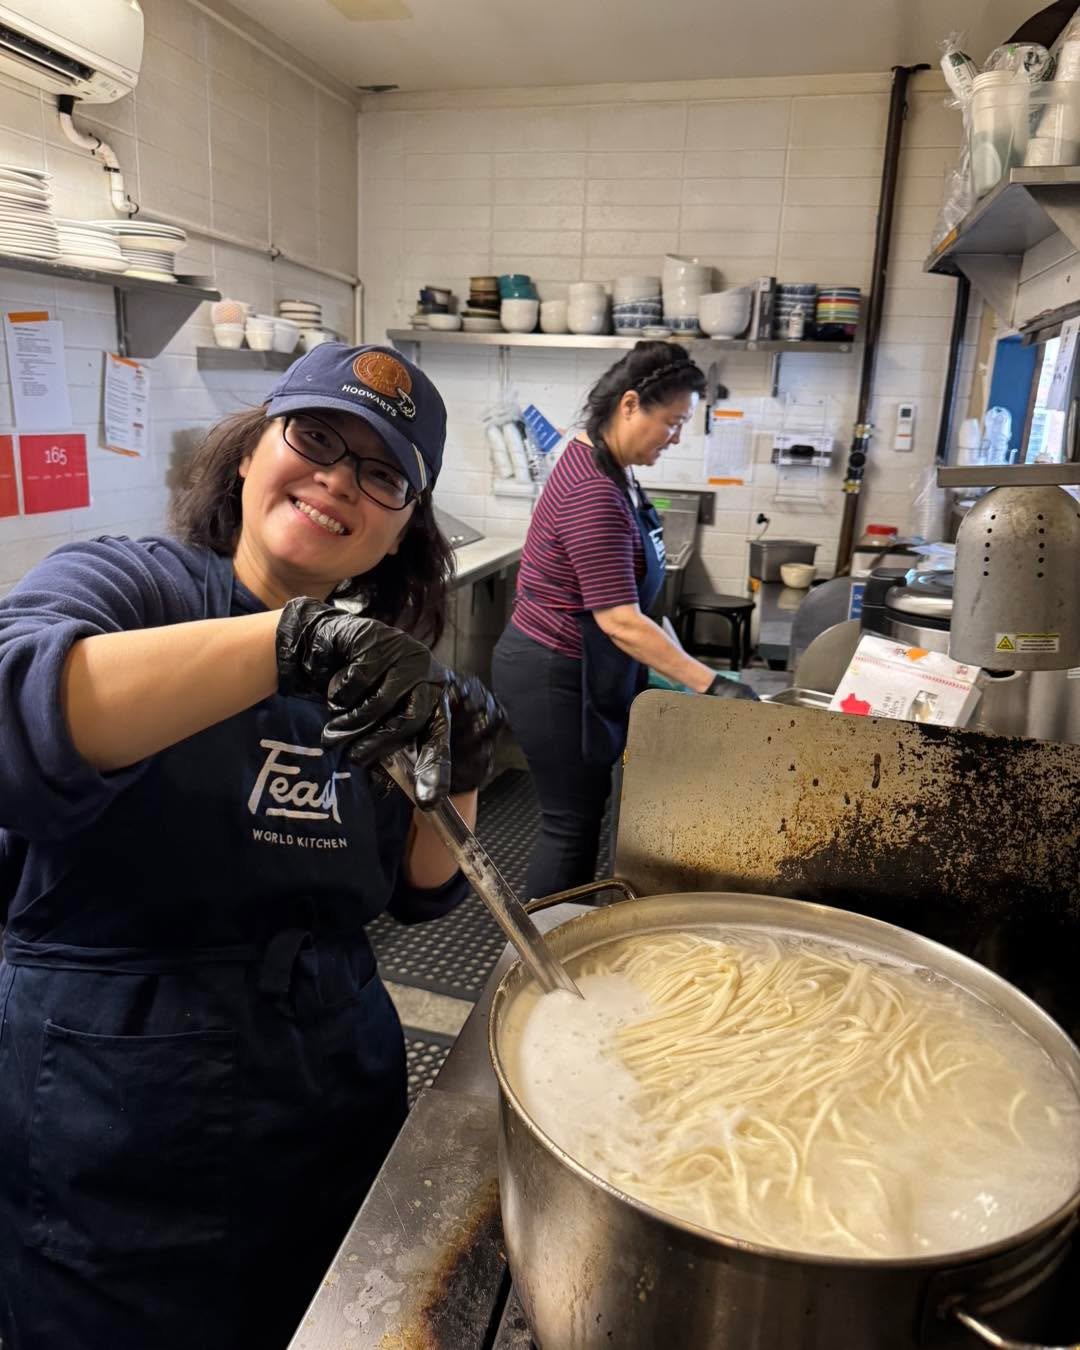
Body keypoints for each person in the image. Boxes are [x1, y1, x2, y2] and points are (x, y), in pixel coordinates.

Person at [0, 343, 503, 1350]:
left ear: (402, 526)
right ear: (247, 452)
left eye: (380, 473)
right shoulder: (133, 585)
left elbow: (416, 890)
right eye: (315, 438)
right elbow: (13, 712)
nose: (335, 480)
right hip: (118, 1123)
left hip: (326, 1093)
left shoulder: (372, 676)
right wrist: (291, 642)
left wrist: (465, 767)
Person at [492, 341, 756, 902]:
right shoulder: (593, 490)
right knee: (570, 823)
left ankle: (574, 931)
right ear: (630, 405)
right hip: (553, 672)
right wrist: (708, 682)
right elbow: (618, 621)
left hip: (579, 664)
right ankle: (544, 955)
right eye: (672, 422)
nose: (676, 437)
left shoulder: (614, 468)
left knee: (583, 816)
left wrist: (677, 668)